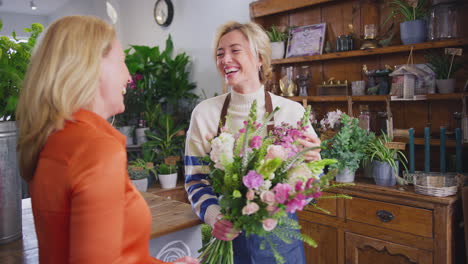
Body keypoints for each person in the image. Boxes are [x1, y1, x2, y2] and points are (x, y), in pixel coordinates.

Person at [16, 15, 198, 264]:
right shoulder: (96, 147)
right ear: (93, 66)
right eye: (122, 61)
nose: (128, 76)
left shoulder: (53, 140)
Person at [184, 21, 321, 264]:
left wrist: (282, 201)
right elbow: (196, 179)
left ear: (260, 58)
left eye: (235, 51)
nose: (225, 59)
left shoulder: (292, 112)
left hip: (280, 240)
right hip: (227, 239)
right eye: (219, 53)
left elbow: (311, 176)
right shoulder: (205, 114)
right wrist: (216, 217)